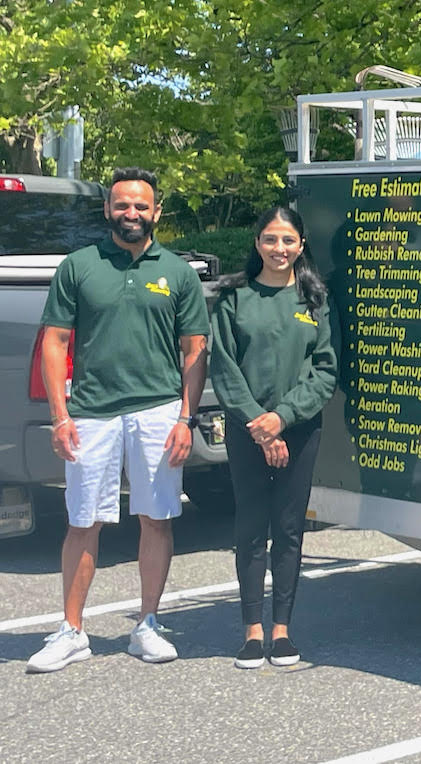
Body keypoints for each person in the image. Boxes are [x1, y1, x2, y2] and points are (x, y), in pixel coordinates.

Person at [27, 167, 209, 673]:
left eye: (141, 206)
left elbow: (195, 351)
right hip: (91, 412)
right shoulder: (78, 266)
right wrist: (60, 416)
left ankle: (147, 624)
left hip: (158, 412)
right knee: (83, 521)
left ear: (157, 213)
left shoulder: (177, 271)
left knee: (157, 519)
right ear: (108, 210)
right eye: (122, 205)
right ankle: (72, 631)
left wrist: (186, 419)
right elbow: (54, 342)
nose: (132, 213)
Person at [207, 206, 335, 669]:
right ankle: (251, 631)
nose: (279, 249)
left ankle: (282, 631)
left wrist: (282, 419)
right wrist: (260, 426)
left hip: (299, 432)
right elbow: (223, 368)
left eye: (287, 241)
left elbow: (325, 372)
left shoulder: (315, 300)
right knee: (250, 527)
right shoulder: (234, 297)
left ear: (301, 246)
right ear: (256, 242)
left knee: (288, 530)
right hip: (248, 432)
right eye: (269, 239)